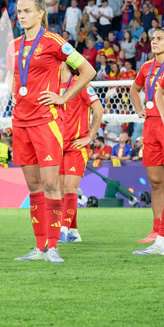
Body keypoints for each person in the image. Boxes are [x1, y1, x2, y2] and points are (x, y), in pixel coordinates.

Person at [9, 0, 96, 264]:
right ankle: (39, 247)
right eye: (19, 12)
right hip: (21, 122)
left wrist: (63, 97)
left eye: (27, 11)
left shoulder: (54, 42)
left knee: (50, 185)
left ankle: (54, 246)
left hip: (46, 122)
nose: (22, 16)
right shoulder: (13, 45)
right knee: (34, 186)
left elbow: (88, 71)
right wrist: (15, 92)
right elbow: (16, 75)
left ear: (40, 14)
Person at [129, 28, 164, 243]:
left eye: (160, 39)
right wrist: (139, 108)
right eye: (153, 39)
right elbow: (134, 90)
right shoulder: (146, 67)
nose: (154, 42)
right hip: (149, 125)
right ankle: (158, 230)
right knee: (156, 182)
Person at [58, 64, 104, 244]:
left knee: (70, 188)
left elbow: (98, 109)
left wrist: (90, 137)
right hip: (57, 146)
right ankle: (74, 231)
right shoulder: (52, 86)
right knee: (62, 190)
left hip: (76, 145)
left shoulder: (81, 84)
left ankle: (62, 230)